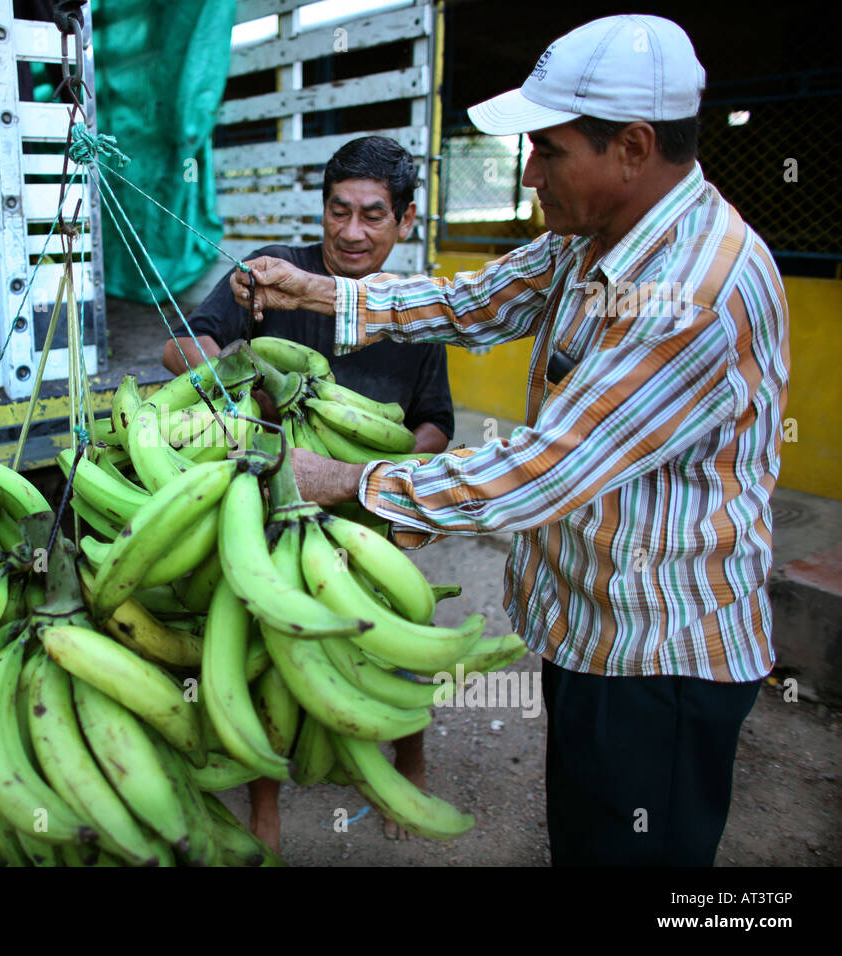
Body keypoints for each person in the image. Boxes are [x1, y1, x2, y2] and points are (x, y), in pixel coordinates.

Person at [231, 14, 788, 867]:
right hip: (592, 629)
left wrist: (346, 480)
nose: (530, 172)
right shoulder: (591, 239)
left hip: (659, 656)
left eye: (549, 150)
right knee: (588, 837)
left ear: (633, 148)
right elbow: (472, 303)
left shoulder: (690, 290)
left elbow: (544, 469)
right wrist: (314, 290)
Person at [164, 136, 454, 850]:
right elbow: (182, 347)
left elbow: (435, 424)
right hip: (271, 491)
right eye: (339, 211)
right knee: (268, 635)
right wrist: (235, 377)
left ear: (405, 222)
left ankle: (407, 764)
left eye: (373, 216)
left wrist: (380, 481)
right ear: (322, 211)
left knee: (393, 636)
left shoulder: (416, 310)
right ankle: (265, 796)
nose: (352, 232)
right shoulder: (271, 275)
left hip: (366, 503)